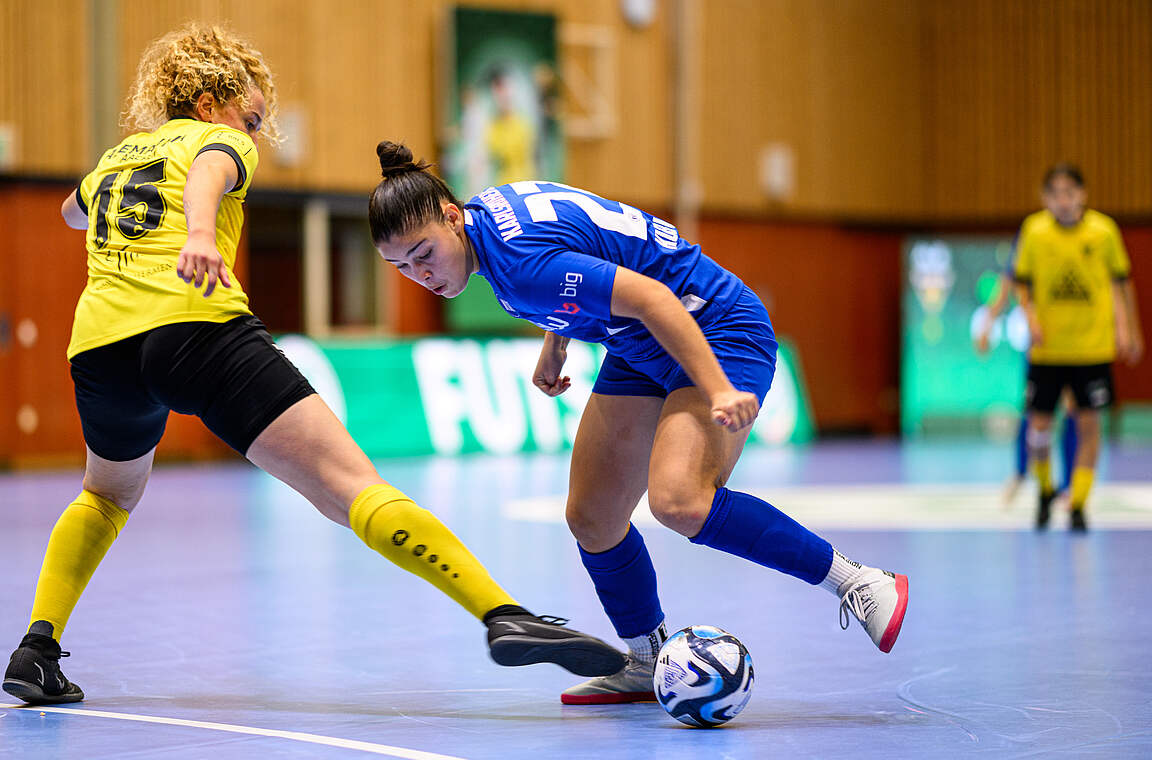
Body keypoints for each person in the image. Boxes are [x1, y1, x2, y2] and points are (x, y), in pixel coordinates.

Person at [1, 25, 622, 707]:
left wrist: (116, 201)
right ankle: (502, 612)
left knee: (104, 495)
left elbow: (71, 210)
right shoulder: (220, 142)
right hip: (194, 325)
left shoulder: (117, 158)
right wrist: (202, 234)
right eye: (252, 117)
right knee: (351, 486)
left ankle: (37, 649)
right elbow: (210, 172)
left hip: (101, 350)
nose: (257, 134)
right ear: (210, 101)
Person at [367, 142, 910, 705]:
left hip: (714, 327)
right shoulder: (489, 213)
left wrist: (718, 387)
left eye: (423, 253)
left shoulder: (519, 267)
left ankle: (859, 582)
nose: (420, 275)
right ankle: (647, 660)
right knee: (592, 517)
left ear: (452, 217)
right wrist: (557, 344)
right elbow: (587, 254)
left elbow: (650, 296)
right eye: (400, 267)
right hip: (637, 343)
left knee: (681, 501)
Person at [1012, 163, 1144, 532]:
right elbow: (1021, 282)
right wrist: (1031, 317)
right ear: (1045, 198)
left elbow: (1121, 282)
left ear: (1083, 195)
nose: (1064, 201)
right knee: (1038, 428)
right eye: (1055, 194)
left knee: (1089, 426)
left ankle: (1079, 503)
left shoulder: (1103, 231)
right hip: (1048, 352)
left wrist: (1129, 329)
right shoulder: (1035, 231)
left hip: (1091, 349)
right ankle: (1045, 490)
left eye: (1070, 193)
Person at [974, 261, 1078, 512]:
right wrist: (987, 324)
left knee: (1072, 407)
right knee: (1035, 409)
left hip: (1074, 338)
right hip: (1040, 341)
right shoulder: (1031, 235)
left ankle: (1068, 486)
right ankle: (1022, 472)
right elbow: (1008, 281)